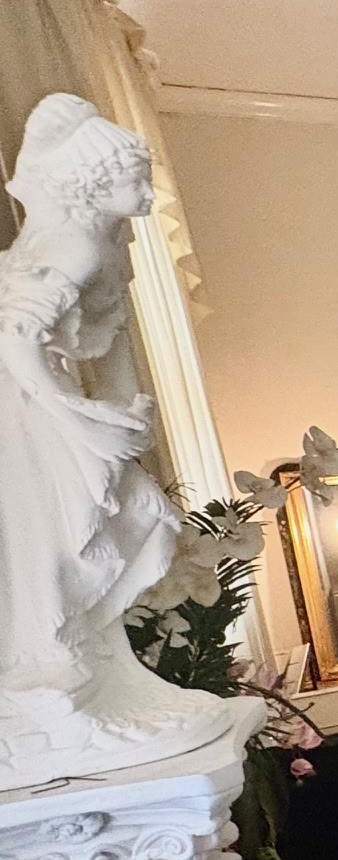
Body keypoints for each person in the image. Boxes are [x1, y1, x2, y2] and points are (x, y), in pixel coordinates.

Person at [0, 94, 178, 691]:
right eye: (135, 181)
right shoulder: (73, 247)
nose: (148, 196)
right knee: (97, 521)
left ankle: (89, 661)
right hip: (32, 406)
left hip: (44, 397)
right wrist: (75, 415)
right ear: (94, 183)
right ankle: (59, 655)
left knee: (126, 517)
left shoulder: (91, 240)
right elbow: (15, 337)